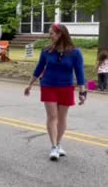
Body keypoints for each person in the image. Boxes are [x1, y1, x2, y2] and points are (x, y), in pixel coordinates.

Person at [24, 23, 86, 161]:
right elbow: (39, 68)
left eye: (51, 33)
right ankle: (53, 147)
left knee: (62, 117)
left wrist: (82, 92)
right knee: (52, 116)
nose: (49, 35)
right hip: (48, 86)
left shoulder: (75, 52)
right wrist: (29, 85)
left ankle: (58, 144)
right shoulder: (46, 51)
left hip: (66, 87)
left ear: (60, 34)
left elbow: (80, 72)